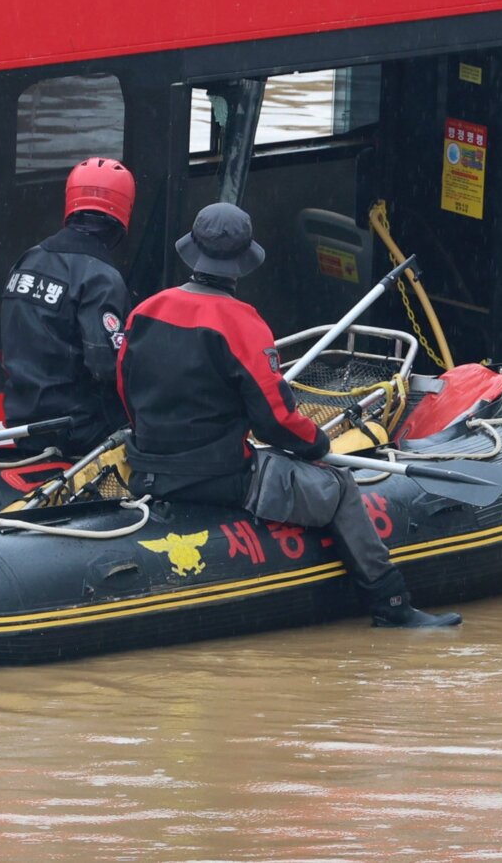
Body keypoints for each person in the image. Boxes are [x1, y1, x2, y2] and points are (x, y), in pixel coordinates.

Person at [118, 202, 458, 629]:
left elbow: (127, 394)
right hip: (220, 477)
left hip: (147, 470)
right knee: (339, 487)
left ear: (193, 251)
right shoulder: (244, 324)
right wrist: (316, 444)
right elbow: (275, 422)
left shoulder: (143, 312)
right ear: (240, 265)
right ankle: (391, 603)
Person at [0, 157, 136, 459]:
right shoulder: (101, 277)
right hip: (79, 430)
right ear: (122, 214)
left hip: (22, 420)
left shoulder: (29, 259)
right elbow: (106, 367)